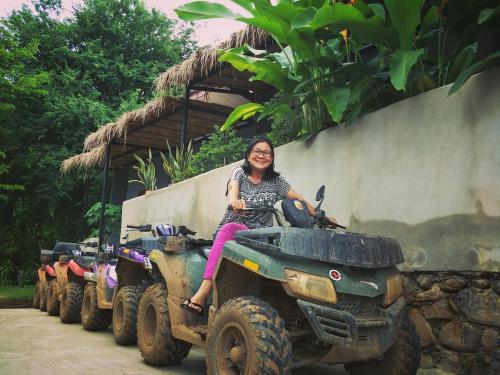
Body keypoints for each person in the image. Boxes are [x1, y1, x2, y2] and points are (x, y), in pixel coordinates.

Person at [181, 136, 337, 315]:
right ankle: (203, 292)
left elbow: (297, 198)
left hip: (262, 235)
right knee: (229, 228)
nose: (262, 155)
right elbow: (233, 189)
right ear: (248, 156)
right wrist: (234, 201)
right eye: (257, 151)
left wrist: (318, 215)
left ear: (271, 158)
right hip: (238, 229)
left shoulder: (277, 181)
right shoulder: (239, 173)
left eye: (267, 152)